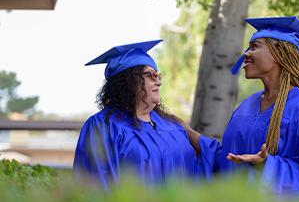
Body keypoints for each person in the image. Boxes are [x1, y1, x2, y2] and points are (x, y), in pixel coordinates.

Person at [185, 16, 299, 198]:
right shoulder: (246, 106)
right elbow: (226, 160)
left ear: (279, 54)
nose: (246, 54)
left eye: (254, 47)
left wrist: (267, 165)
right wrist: (186, 131)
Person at [73, 40, 205, 189]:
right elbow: (95, 186)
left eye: (158, 75)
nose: (158, 82)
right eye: (151, 75)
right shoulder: (103, 127)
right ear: (129, 81)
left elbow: (213, 160)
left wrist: (188, 131)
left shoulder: (172, 126)